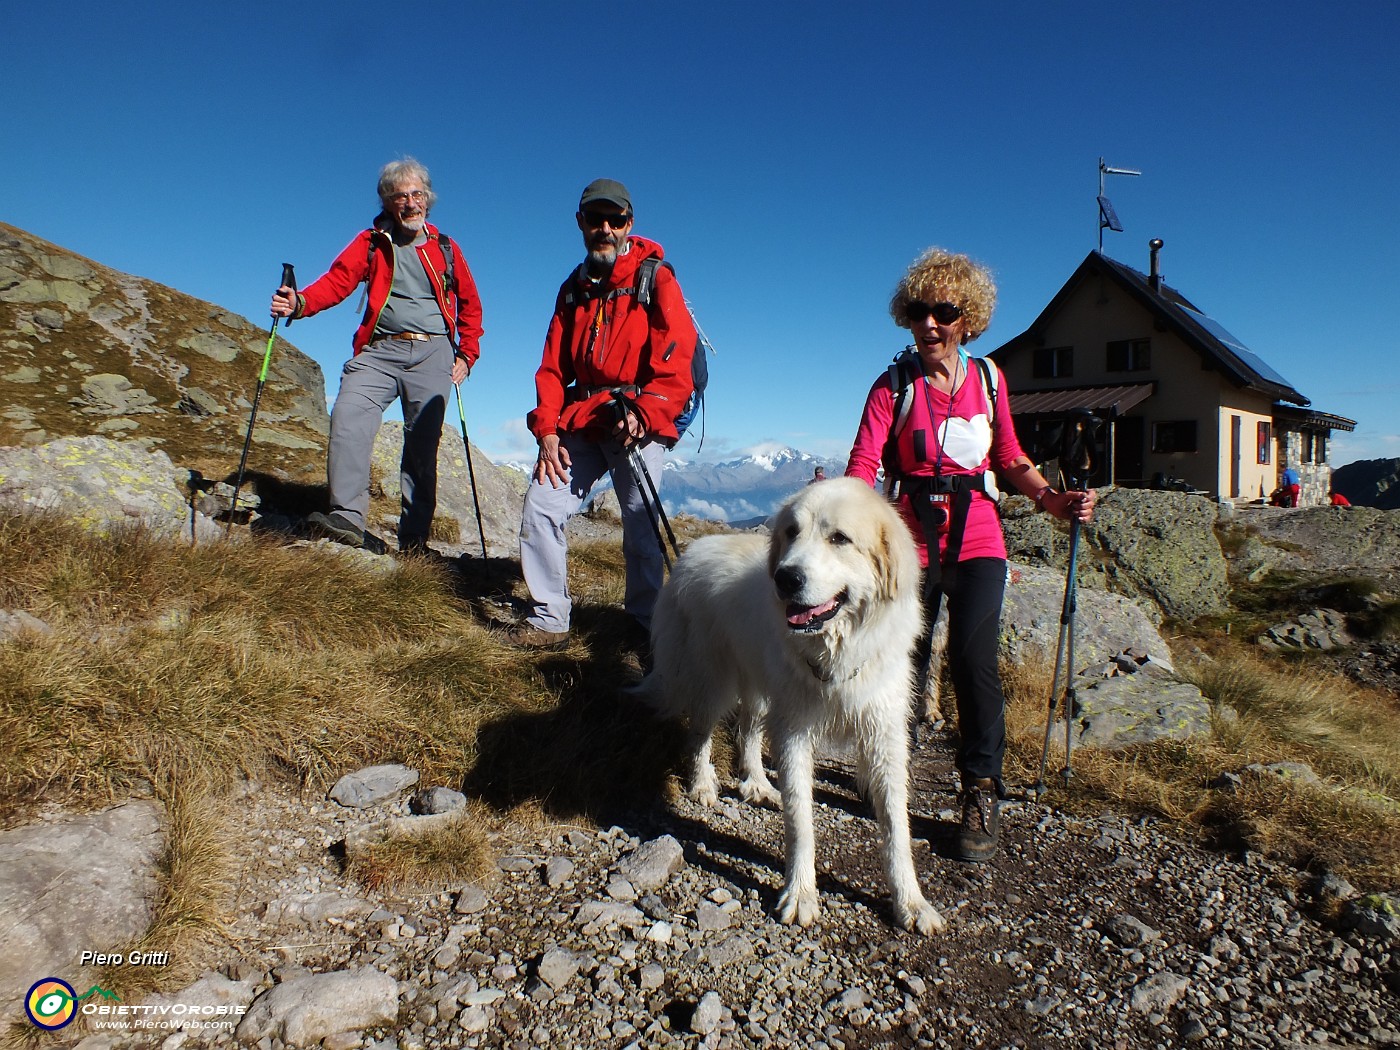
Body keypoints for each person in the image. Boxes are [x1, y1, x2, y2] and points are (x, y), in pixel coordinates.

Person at [845, 247, 1095, 862]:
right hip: (910, 543)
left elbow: (1008, 456)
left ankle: (980, 789)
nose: (931, 323)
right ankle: (887, 775)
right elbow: (863, 463)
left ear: (967, 319)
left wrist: (1052, 502)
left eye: (945, 312)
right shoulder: (892, 386)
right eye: (920, 311)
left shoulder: (989, 379)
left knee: (973, 661)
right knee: (902, 660)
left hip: (980, 537)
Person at [507, 179, 697, 649]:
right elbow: (551, 369)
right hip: (584, 418)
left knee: (640, 522)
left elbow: (677, 355)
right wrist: (547, 430)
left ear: (629, 224)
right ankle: (548, 618)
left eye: (615, 220)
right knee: (542, 507)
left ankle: (647, 626)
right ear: (581, 224)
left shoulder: (655, 279)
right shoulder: (572, 291)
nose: (605, 229)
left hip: (637, 420)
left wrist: (646, 412)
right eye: (596, 220)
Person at [270, 158, 483, 552]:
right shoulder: (371, 243)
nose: (410, 203)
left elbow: (470, 305)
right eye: (400, 196)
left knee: (422, 445)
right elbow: (337, 281)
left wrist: (467, 355)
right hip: (379, 351)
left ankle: (414, 541)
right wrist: (299, 303)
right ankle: (347, 518)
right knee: (349, 415)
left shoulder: (446, 249)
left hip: (434, 352)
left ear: (428, 199)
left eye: (417, 194)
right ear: (387, 202)